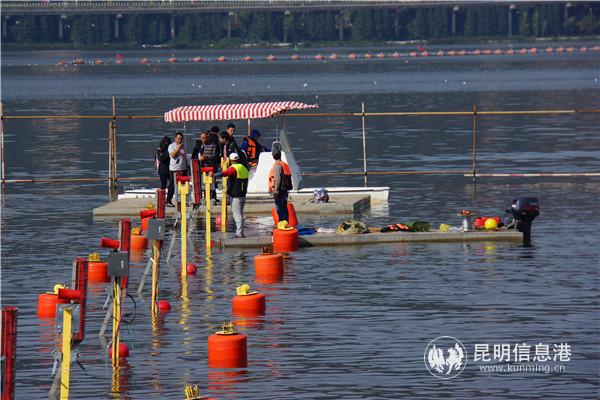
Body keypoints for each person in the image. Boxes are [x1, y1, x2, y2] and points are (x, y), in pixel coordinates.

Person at [221, 153, 249, 238]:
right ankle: (241, 232)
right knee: (240, 214)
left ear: (231, 160)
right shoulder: (244, 168)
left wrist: (215, 174)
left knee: (237, 215)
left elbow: (227, 173)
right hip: (242, 194)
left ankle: (239, 233)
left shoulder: (234, 168)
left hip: (236, 195)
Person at [269, 142, 293, 223]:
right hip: (285, 190)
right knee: (284, 209)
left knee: (280, 210)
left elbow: (277, 180)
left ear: (273, 156)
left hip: (279, 192)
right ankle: (286, 223)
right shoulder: (284, 164)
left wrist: (276, 192)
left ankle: (282, 225)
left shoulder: (277, 166)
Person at [167, 131, 188, 207]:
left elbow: (184, 156)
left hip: (183, 168)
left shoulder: (182, 147)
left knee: (183, 185)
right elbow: (173, 155)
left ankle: (183, 200)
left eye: (181, 139)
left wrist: (186, 164)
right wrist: (178, 148)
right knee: (172, 185)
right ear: (175, 138)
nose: (180, 140)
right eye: (178, 139)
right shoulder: (171, 146)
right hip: (174, 169)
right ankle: (168, 200)